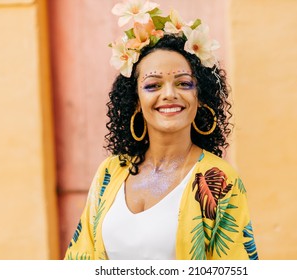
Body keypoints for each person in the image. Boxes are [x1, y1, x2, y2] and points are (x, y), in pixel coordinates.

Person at [64, 0, 258, 260]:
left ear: (200, 98)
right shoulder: (110, 172)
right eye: (153, 85)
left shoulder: (219, 180)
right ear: (135, 101)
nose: (169, 94)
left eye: (184, 83)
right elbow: (79, 260)